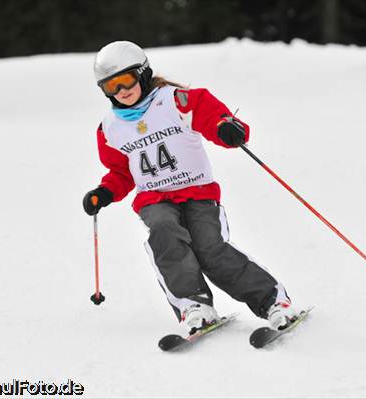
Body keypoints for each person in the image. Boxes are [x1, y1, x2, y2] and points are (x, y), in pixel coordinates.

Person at [82, 40, 298, 333]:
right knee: (164, 233)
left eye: (126, 80)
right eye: (111, 87)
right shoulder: (110, 129)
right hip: (153, 197)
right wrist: (105, 192)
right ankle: (193, 305)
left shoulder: (176, 101)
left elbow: (212, 117)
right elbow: (121, 171)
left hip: (197, 191)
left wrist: (226, 127)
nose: (121, 91)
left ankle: (272, 301)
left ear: (143, 73)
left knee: (210, 251)